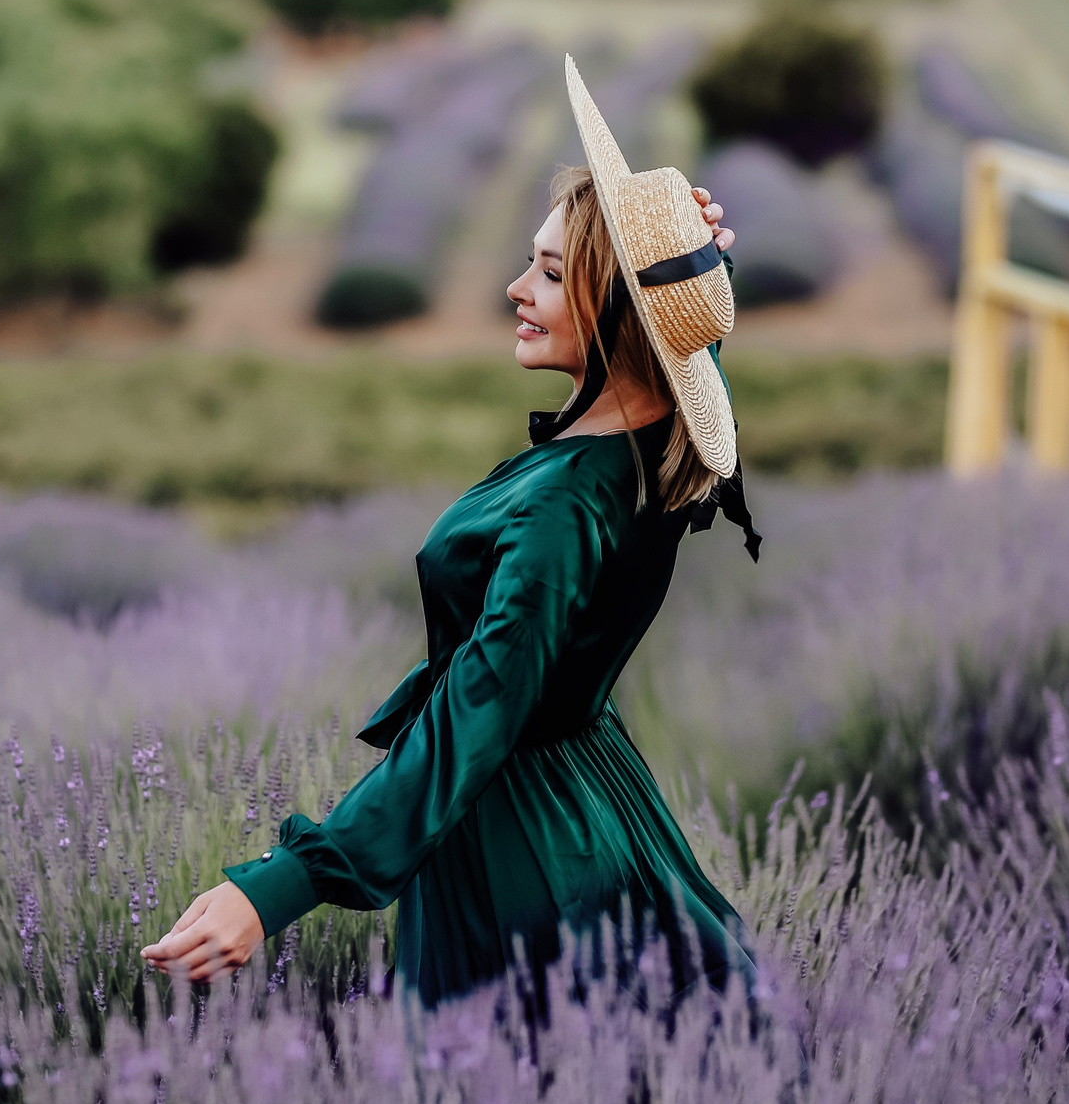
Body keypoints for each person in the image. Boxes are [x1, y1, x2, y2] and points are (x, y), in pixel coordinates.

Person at [144, 59, 764, 1008]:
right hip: (592, 799)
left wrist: (276, 886)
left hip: (514, 840)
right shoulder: (651, 442)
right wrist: (689, 265)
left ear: (619, 312)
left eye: (552, 274)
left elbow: (477, 706)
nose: (517, 288)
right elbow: (685, 348)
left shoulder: (570, 501)